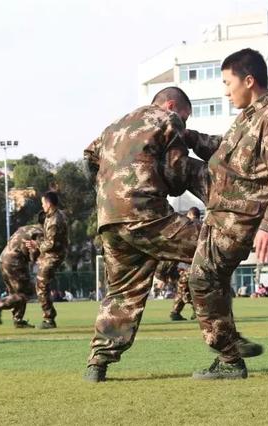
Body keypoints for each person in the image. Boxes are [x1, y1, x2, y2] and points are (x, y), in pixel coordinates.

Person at [183, 48, 268, 379]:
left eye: (228, 82)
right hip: (221, 214)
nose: (225, 91)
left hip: (240, 219)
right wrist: (188, 136)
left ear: (249, 81)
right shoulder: (250, 117)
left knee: (201, 279)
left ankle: (229, 358)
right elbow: (225, 154)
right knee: (212, 282)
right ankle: (230, 349)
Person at [82, 86, 210, 382]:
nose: (184, 123)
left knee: (122, 292)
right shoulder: (167, 119)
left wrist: (107, 192)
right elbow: (177, 174)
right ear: (170, 105)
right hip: (144, 212)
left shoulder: (115, 125)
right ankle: (226, 346)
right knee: (212, 247)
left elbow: (89, 158)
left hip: (109, 219)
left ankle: (98, 363)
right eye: (185, 116)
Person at [24, 191, 68, 329]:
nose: (42, 206)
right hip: (50, 254)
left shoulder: (55, 220)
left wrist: (36, 245)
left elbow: (52, 243)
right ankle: (49, 316)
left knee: (41, 285)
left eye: (43, 203)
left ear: (48, 204)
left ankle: (49, 319)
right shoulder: (53, 216)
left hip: (54, 255)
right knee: (43, 285)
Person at [0, 223, 44, 328]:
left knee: (16, 293)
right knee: (27, 292)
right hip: (16, 262)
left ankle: (18, 320)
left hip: (3, 259)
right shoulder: (40, 233)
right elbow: (33, 255)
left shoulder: (26, 227)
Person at [169, 207, 201, 321]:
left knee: (183, 289)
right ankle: (176, 312)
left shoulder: (188, 226)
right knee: (190, 289)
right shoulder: (203, 226)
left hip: (186, 265)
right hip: (200, 264)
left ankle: (194, 311)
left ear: (190, 214)